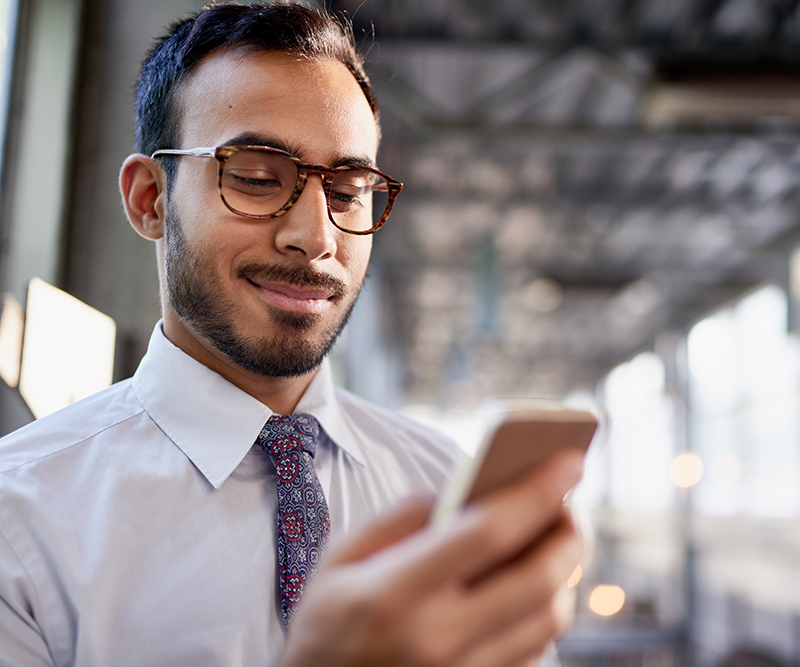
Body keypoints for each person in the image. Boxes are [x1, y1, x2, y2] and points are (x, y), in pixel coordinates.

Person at [0, 3, 584, 665]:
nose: (315, 237)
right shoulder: (19, 519)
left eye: (347, 190)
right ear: (150, 199)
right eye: (254, 176)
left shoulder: (441, 487)